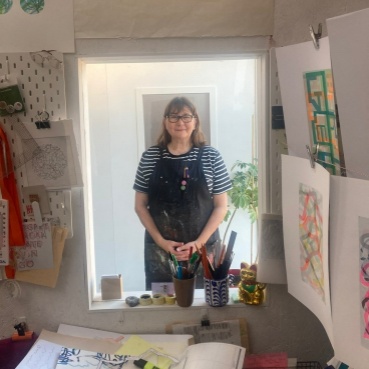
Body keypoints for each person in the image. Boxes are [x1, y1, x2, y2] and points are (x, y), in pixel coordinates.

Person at [133, 96, 232, 290]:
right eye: (174, 116)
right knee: (165, 303)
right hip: (162, 250)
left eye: (186, 117)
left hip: (204, 248)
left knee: (206, 303)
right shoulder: (150, 157)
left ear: (195, 122)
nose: (180, 122)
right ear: (165, 122)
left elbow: (221, 207)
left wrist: (198, 244)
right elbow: (140, 206)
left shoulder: (212, 156)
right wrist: (161, 242)